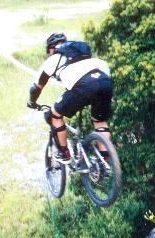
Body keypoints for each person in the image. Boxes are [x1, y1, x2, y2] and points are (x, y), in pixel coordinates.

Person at [27, 32, 113, 164]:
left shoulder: (54, 59)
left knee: (53, 115)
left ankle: (64, 153)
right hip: (105, 80)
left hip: (84, 85)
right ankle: (103, 161)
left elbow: (36, 87)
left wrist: (32, 101)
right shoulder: (83, 54)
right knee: (99, 120)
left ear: (51, 48)